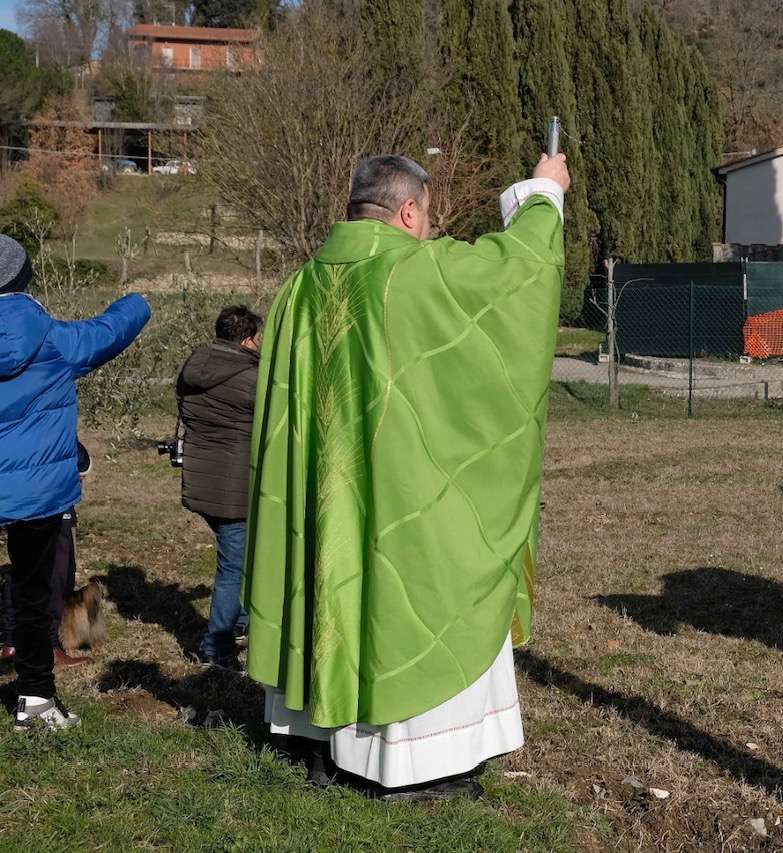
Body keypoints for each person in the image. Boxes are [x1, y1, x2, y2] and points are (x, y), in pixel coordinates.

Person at [243, 152, 569, 800]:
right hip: (397, 505)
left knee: (326, 572)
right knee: (411, 577)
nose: (429, 229)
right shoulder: (413, 274)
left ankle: (318, 738)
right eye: (427, 216)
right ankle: (415, 765)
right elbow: (515, 276)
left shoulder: (299, 288)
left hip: (325, 502)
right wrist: (544, 193)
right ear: (409, 210)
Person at [0, 234, 150, 729]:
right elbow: (108, 330)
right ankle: (36, 700)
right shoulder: (54, 340)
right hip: (37, 492)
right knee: (32, 590)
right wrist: (137, 301)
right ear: (24, 280)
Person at [176, 305, 262, 670]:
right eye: (259, 339)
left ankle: (239, 624)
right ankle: (216, 647)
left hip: (202, 480)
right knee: (233, 568)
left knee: (242, 560)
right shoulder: (251, 379)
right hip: (235, 488)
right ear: (247, 339)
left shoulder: (192, 367)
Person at [1, 440, 94, 669]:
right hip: (49, 487)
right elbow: (72, 450)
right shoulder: (43, 408)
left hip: (12, 484)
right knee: (55, 568)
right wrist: (81, 465)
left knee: (23, 562)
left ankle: (11, 641)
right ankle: (49, 647)